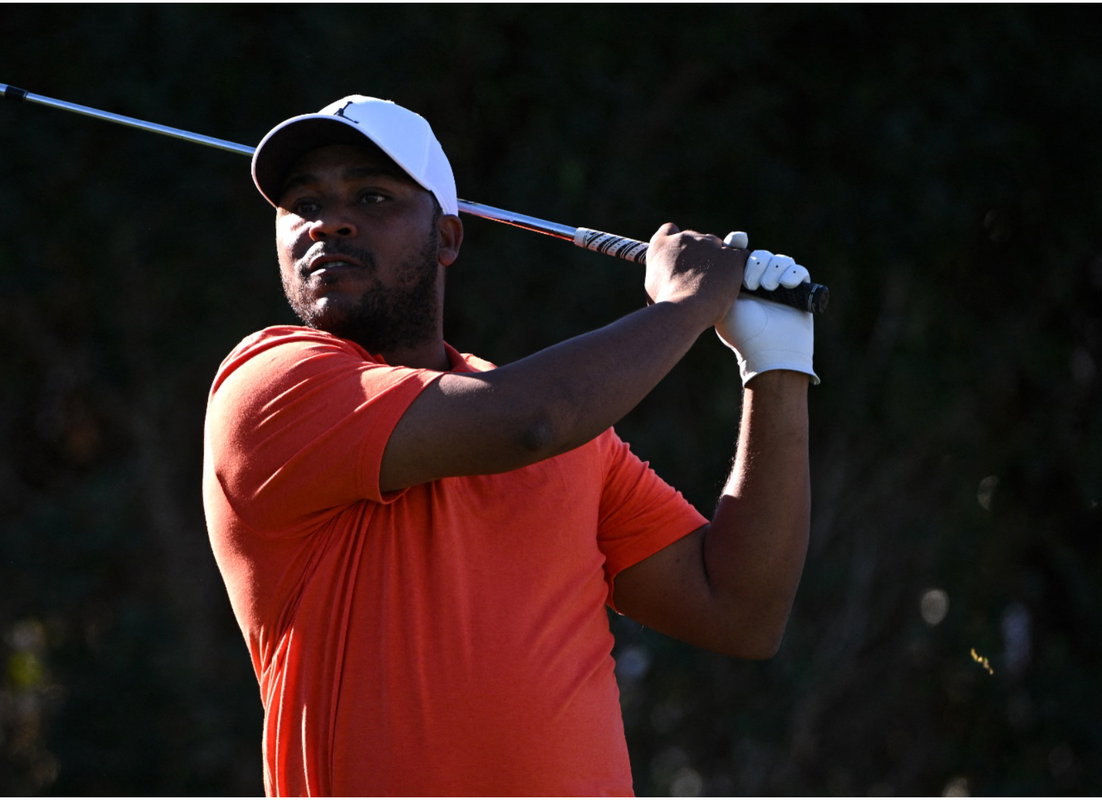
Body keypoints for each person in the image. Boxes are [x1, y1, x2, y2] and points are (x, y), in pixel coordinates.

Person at [201, 94, 818, 797]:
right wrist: (684, 306)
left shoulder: (568, 436)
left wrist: (777, 368)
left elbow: (739, 611)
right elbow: (532, 420)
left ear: (448, 237)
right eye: (300, 202)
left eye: (372, 196)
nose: (328, 222)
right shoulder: (270, 384)